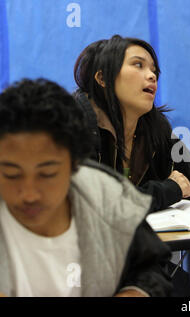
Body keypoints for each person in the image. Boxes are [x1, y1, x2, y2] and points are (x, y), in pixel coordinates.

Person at [0, 78, 173, 297]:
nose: (30, 194)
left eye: (48, 174)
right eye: (11, 174)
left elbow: (150, 267)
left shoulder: (103, 193)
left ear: (75, 165)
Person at [73, 35, 190, 212]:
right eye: (138, 65)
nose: (152, 76)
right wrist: (169, 189)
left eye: (154, 70)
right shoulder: (75, 124)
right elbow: (91, 203)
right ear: (103, 78)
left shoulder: (155, 126)